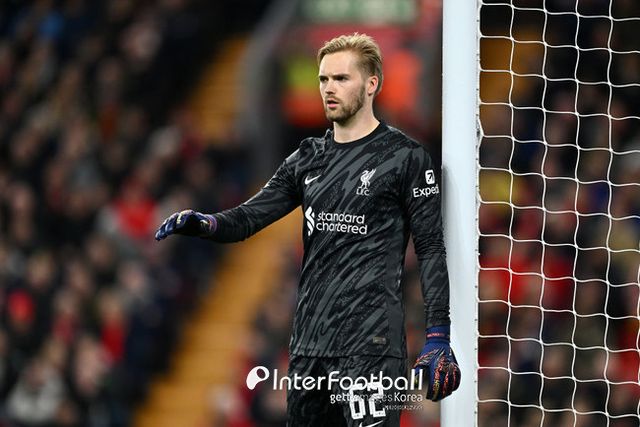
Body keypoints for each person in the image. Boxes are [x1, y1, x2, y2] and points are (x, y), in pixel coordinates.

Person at [155, 33, 460, 426]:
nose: (329, 88)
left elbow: (431, 247)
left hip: (371, 345)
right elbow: (248, 218)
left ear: (372, 84)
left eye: (341, 78)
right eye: (323, 79)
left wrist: (438, 334)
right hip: (309, 346)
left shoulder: (405, 158)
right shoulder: (307, 158)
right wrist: (205, 223)